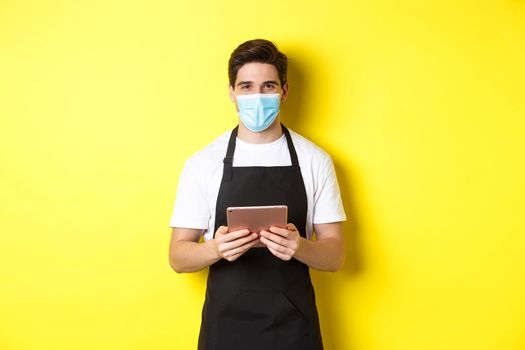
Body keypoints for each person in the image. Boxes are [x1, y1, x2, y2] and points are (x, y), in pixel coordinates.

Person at [168, 39, 346, 350]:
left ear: (284, 91)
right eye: (247, 87)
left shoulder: (315, 160)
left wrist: (299, 246)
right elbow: (178, 257)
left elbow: (335, 256)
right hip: (225, 329)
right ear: (232, 93)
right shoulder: (203, 163)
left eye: (268, 86)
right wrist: (216, 249)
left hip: (294, 330)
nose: (257, 97)